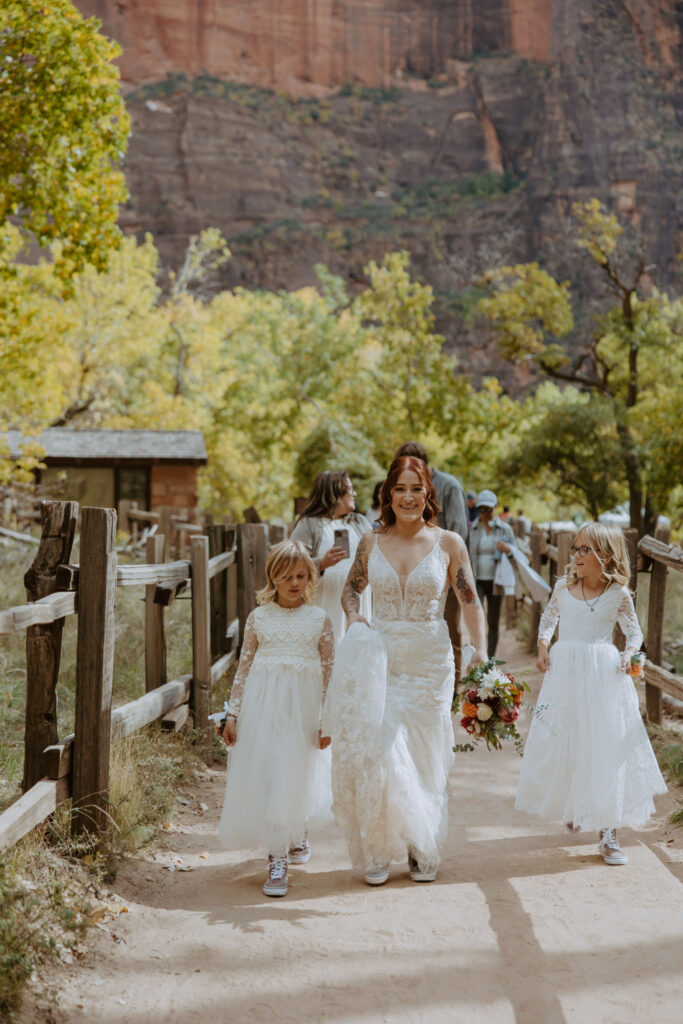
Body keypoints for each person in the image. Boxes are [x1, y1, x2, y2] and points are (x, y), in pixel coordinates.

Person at [324, 456, 487, 885]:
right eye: (401, 489)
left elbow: (469, 600)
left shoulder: (449, 542)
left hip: (430, 660)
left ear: (428, 493)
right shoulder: (370, 542)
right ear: (388, 495)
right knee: (379, 749)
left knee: (424, 752)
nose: (409, 497)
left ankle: (421, 844)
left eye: (417, 488)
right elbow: (350, 591)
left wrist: (479, 651)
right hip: (380, 658)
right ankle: (378, 847)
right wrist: (356, 617)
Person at [516, 522, 666, 865]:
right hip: (565, 672)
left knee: (604, 746)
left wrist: (630, 655)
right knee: (568, 739)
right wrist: (542, 645)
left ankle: (608, 830)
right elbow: (549, 618)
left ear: (605, 555)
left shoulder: (619, 594)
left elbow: (635, 635)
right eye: (576, 550)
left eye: (585, 550)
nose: (577, 556)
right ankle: (575, 804)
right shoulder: (563, 588)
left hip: (602, 675)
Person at [218, 541, 334, 897]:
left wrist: (325, 720)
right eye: (286, 576)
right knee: (273, 773)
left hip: (303, 709)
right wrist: (232, 713)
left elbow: (330, 672)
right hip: (263, 708)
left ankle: (296, 832)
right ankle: (277, 858)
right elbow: (245, 667)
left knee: (295, 771)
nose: (294, 582)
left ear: (311, 577)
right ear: (273, 578)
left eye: (301, 575)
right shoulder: (259, 618)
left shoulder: (319, 620)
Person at [393, 442, 469, 681]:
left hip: (444, 572)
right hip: (411, 572)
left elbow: (459, 531)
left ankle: (452, 686)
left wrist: (444, 567)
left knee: (447, 629)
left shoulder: (449, 486)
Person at [290, 470, 373, 643]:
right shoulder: (308, 524)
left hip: (358, 600)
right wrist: (322, 563)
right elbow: (289, 565)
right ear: (334, 493)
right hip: (324, 601)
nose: (354, 493)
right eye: (349, 489)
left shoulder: (360, 521)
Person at [469, 489, 517, 657]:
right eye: (481, 509)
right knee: (476, 620)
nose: (485, 513)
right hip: (476, 580)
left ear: (495, 507)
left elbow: (516, 556)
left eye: (488, 509)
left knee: (493, 621)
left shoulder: (505, 529)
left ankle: (489, 660)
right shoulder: (472, 529)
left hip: (497, 580)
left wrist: (508, 550)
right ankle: (477, 657)